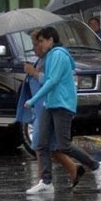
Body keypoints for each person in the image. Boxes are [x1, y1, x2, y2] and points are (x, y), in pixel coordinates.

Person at [24, 27, 101, 194]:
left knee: (64, 145)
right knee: (41, 143)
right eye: (38, 42)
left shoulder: (58, 55)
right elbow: (48, 79)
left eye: (41, 41)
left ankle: (97, 166)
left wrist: (33, 100)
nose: (40, 45)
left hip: (62, 105)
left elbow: (52, 81)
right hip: (51, 104)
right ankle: (46, 182)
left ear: (50, 40)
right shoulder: (50, 56)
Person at [17, 30, 85, 188]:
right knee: (44, 145)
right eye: (35, 44)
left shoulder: (53, 57)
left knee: (51, 145)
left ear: (48, 42)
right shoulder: (41, 60)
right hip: (43, 107)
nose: (35, 47)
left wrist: (33, 73)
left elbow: (50, 81)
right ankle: (48, 179)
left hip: (49, 105)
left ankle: (87, 167)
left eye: (37, 43)